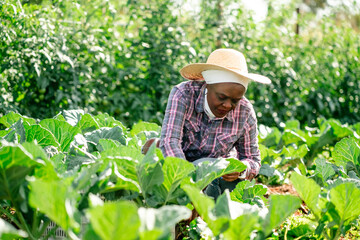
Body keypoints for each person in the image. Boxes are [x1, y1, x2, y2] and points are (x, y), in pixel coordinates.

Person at [155, 48, 271, 200]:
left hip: (217, 172)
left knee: (236, 194)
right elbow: (170, 142)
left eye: (235, 100)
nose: (228, 105)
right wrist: (188, 187)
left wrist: (241, 169)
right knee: (154, 160)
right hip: (180, 168)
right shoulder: (183, 94)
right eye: (222, 97)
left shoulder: (245, 112)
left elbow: (253, 159)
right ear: (207, 85)